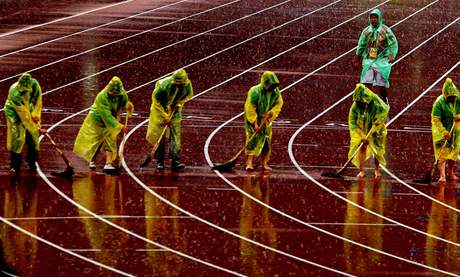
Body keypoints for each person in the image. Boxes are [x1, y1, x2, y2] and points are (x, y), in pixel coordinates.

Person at [73, 76, 133, 173]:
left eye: (116, 94)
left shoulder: (122, 93)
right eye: (112, 94)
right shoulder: (102, 97)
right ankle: (92, 159)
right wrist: (120, 126)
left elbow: (124, 103)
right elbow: (107, 117)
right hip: (98, 118)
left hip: (111, 117)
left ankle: (108, 164)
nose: (114, 95)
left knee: (110, 138)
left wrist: (128, 105)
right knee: (98, 140)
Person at [146, 68, 193, 171]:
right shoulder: (163, 87)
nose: (178, 85)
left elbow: (188, 96)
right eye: (176, 83)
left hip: (174, 108)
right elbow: (156, 103)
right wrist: (164, 117)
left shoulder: (187, 84)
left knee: (175, 134)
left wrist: (179, 104)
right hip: (160, 108)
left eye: (180, 83)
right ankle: (160, 161)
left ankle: (175, 162)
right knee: (160, 134)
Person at [353, 9, 398, 105]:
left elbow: (393, 44)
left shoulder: (385, 30)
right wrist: (357, 59)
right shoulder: (366, 32)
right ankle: (367, 101)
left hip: (382, 61)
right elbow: (361, 45)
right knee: (366, 82)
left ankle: (384, 99)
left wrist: (391, 55)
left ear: (379, 18)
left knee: (381, 84)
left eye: (375, 18)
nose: (373, 20)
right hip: (369, 60)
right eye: (371, 18)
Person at [3, 72, 44, 174]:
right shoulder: (14, 92)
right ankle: (15, 164)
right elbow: (24, 116)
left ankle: (31, 161)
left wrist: (36, 117)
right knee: (18, 137)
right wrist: (34, 125)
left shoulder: (34, 84)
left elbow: (38, 101)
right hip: (14, 111)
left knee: (33, 136)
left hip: (27, 107)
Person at [244, 71, 283, 171]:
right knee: (252, 140)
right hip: (253, 117)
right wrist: (254, 123)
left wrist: (272, 112)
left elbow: (279, 104)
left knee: (266, 141)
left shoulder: (276, 92)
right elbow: (250, 108)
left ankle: (264, 163)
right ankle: (249, 163)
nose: (272, 88)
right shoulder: (255, 91)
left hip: (266, 119)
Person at [348, 83, 389, 178]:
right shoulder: (355, 106)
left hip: (376, 126)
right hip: (363, 126)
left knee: (377, 148)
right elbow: (353, 122)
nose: (358, 105)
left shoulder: (375, 101)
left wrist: (377, 122)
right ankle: (361, 170)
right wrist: (362, 135)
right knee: (362, 145)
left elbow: (384, 110)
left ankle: (377, 169)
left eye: (360, 103)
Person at [431, 78, 460, 182]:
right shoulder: (439, 103)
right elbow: (436, 119)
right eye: (449, 97)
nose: (452, 99)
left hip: (455, 128)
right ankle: (442, 175)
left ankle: (450, 172)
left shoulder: (458, 98)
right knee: (441, 152)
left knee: (454, 150)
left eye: (453, 97)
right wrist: (444, 132)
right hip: (441, 128)